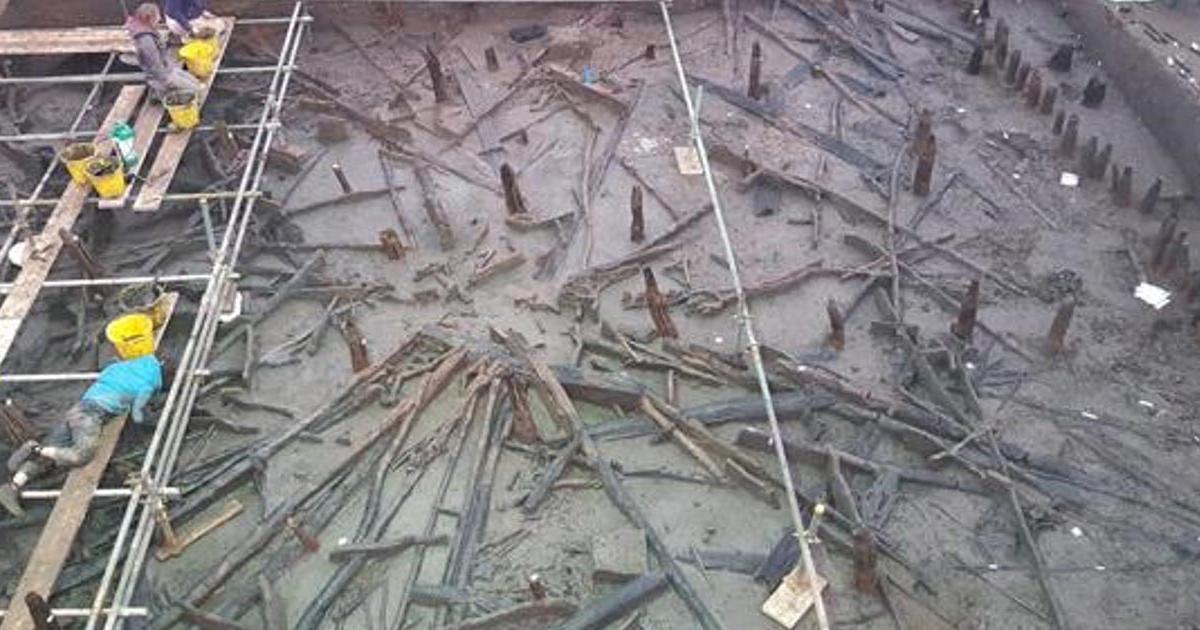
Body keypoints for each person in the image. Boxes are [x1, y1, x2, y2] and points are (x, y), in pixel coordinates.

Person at [0, 355, 163, 517]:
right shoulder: (146, 385)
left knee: (51, 455)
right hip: (90, 416)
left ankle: (13, 486)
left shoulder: (118, 367)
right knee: (81, 455)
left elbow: (106, 374)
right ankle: (35, 448)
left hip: (77, 409)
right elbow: (137, 416)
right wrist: (154, 421)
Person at [124, 3, 201, 99]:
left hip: (167, 68)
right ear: (150, 18)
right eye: (157, 16)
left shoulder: (147, 28)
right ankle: (161, 94)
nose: (159, 19)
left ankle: (165, 90)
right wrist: (169, 81)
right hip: (161, 77)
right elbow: (155, 67)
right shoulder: (146, 41)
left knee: (197, 82)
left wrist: (170, 67)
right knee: (198, 91)